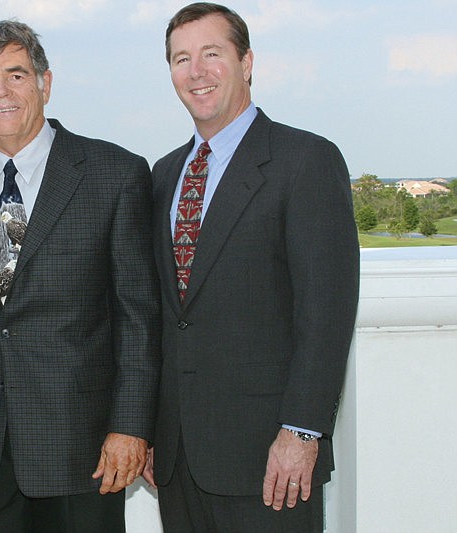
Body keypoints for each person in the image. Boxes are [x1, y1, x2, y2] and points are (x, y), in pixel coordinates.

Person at [0, 20, 161, 533]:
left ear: (45, 83)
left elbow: (137, 316)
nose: (1, 92)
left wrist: (131, 427)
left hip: (84, 445)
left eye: (16, 75)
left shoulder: (114, 173)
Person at [143, 3, 360, 532]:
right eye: (181, 59)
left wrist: (302, 431)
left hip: (270, 459)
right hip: (178, 459)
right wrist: (149, 428)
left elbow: (326, 313)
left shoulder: (305, 161)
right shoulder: (165, 175)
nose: (196, 71)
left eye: (211, 54)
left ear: (246, 62)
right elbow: (162, 315)